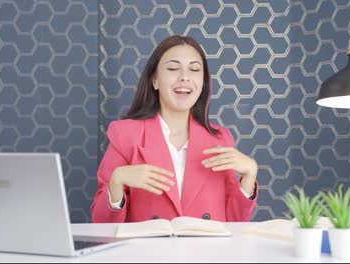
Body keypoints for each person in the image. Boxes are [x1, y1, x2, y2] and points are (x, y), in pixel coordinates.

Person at [91, 35, 258, 223]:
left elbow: (234, 222)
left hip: (207, 251)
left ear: (203, 84)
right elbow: (101, 223)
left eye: (194, 69)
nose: (184, 77)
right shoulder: (125, 135)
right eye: (172, 68)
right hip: (146, 252)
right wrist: (117, 180)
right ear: (155, 80)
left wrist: (250, 174)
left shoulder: (220, 139)